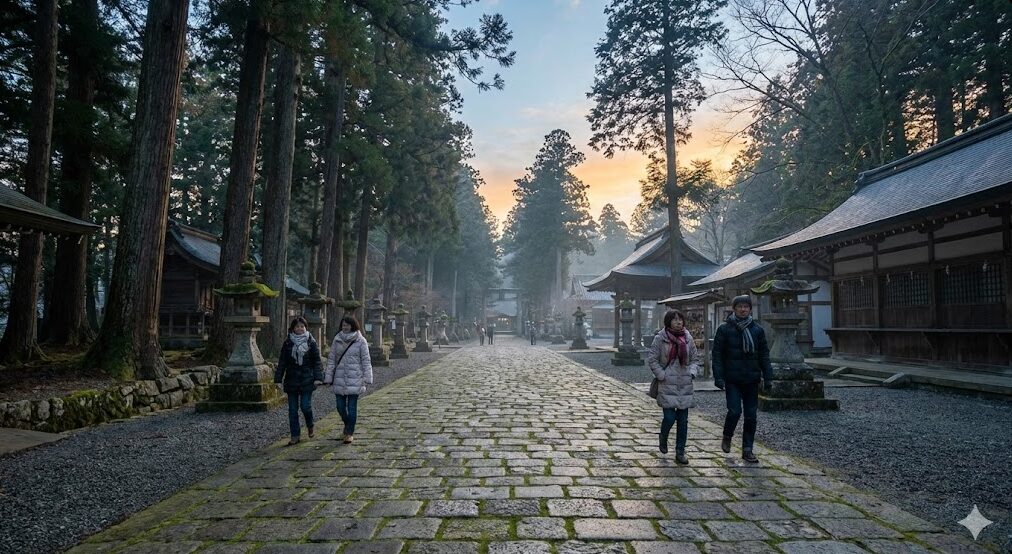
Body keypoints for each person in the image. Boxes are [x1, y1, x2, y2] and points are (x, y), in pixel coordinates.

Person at [712, 295, 772, 464]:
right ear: (734, 309)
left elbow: (764, 355)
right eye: (740, 306)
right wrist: (719, 376)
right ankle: (727, 435)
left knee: (751, 416)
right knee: (734, 411)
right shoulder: (724, 329)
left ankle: (747, 449)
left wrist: (768, 377)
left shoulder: (757, 330)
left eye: (746, 306)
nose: (743, 309)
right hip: (732, 378)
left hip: (752, 378)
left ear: (750, 309)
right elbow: (717, 355)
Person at [646, 309, 697, 464]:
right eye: (674, 319)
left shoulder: (688, 338)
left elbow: (695, 359)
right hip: (667, 383)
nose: (678, 322)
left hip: (684, 384)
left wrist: (692, 372)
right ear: (668, 322)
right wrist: (662, 375)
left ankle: (680, 452)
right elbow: (652, 359)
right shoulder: (660, 338)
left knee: (683, 420)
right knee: (669, 417)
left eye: (680, 319)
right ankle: (663, 437)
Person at [273, 316, 323, 446]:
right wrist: (278, 379)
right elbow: (282, 361)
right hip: (291, 379)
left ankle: (310, 424)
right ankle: (295, 435)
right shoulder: (288, 342)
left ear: (305, 328)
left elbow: (317, 362)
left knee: (305, 406)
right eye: (297, 326)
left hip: (307, 379)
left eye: (302, 326)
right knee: (292, 409)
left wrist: (318, 378)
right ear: (293, 328)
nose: (300, 329)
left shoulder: (311, 342)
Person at [324, 316, 373, 444]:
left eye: (347, 325)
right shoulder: (337, 339)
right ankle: (347, 424)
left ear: (353, 325)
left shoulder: (361, 341)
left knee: (352, 408)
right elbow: (331, 360)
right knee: (340, 407)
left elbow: (366, 361)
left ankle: (349, 433)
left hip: (355, 378)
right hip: (339, 378)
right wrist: (328, 377)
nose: (345, 327)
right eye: (343, 325)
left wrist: (368, 377)